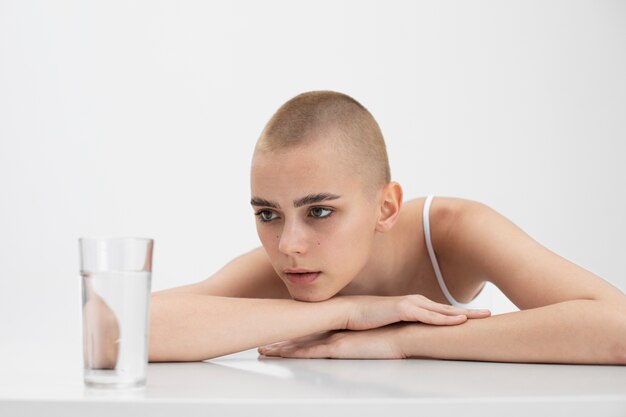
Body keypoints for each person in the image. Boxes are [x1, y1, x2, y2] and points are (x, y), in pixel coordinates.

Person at [149, 90, 626, 364]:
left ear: (385, 207)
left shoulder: (453, 229)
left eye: (319, 211)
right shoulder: (289, 264)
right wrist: (347, 313)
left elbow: (618, 327)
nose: (289, 244)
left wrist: (402, 339)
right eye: (268, 214)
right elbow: (119, 326)